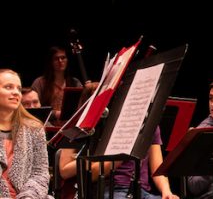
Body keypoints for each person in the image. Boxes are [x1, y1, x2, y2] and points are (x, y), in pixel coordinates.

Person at [57, 82, 178, 199]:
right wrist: (124, 150)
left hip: (142, 190)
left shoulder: (151, 125)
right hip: (114, 189)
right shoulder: (107, 125)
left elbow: (157, 169)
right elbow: (91, 173)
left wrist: (166, 191)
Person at [0, 68, 51, 199]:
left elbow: (40, 173)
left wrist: (28, 196)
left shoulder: (34, 128)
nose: (16, 92)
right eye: (8, 87)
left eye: (18, 88)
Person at [31, 46, 83, 120]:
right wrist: (55, 114)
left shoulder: (75, 82)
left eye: (63, 58)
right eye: (56, 59)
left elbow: (83, 104)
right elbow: (34, 109)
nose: (60, 61)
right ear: (51, 62)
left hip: (70, 124)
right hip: (47, 125)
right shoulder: (40, 83)